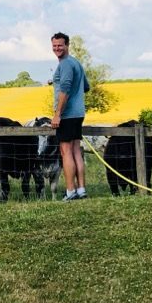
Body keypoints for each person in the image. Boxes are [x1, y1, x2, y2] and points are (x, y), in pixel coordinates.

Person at [50, 32, 91, 201]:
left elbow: (65, 89)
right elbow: (86, 87)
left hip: (66, 115)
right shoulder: (76, 63)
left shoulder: (66, 64)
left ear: (67, 45)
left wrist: (58, 114)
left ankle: (70, 191)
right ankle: (81, 190)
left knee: (65, 151)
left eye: (60, 45)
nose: (57, 48)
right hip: (78, 113)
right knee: (75, 151)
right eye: (54, 45)